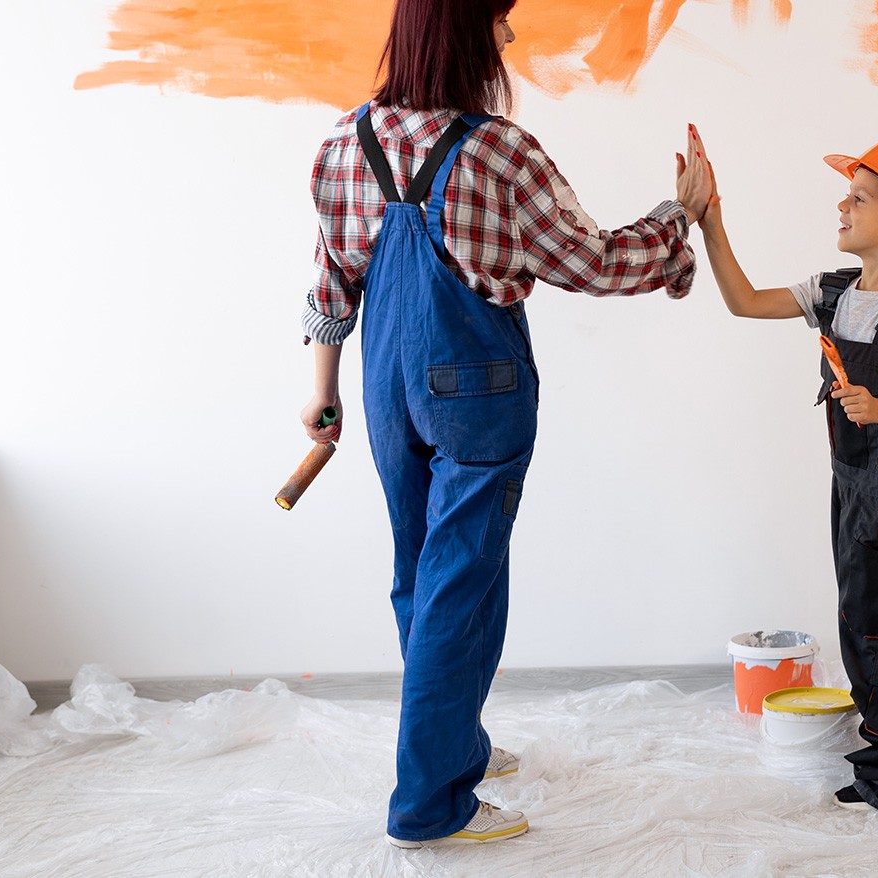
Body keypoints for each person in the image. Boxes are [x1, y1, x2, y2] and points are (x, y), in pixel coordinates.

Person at [298, 0, 713, 848]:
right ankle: (428, 805)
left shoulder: (345, 141)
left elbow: (331, 280)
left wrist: (322, 392)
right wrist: (680, 223)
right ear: (461, 32)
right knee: (463, 579)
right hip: (475, 387)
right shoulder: (497, 151)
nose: (509, 37)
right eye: (499, 20)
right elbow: (592, 263)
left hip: (384, 390)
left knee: (423, 573)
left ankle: (453, 749)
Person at [697, 134, 878, 812]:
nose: (842, 205)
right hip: (859, 496)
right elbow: (741, 300)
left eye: (858, 197)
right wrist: (710, 218)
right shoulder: (829, 294)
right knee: (862, 619)